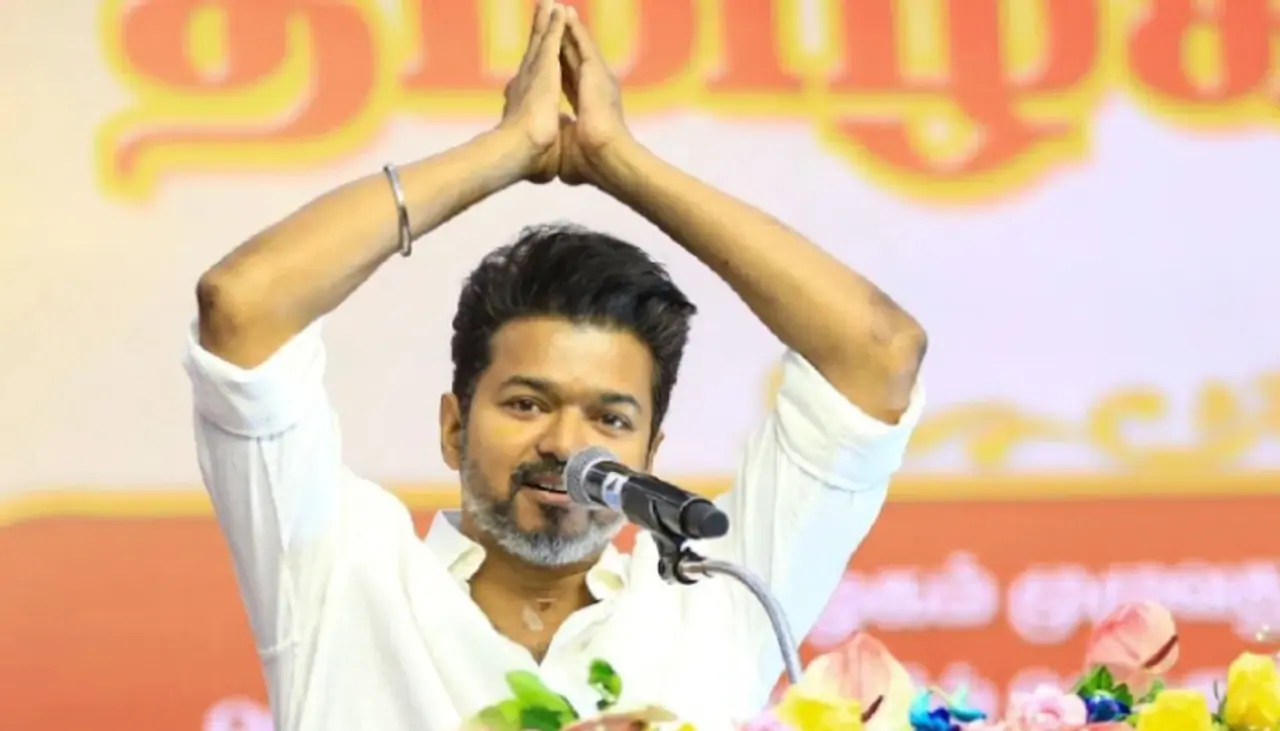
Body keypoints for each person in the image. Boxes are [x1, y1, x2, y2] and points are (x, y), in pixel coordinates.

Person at [185, 3, 927, 730]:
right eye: (527, 404)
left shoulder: (713, 600)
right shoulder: (344, 577)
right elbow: (242, 304)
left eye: (610, 418)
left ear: (650, 454)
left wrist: (619, 161)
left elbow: (877, 351)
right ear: (454, 427)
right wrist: (509, 149)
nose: (567, 445)